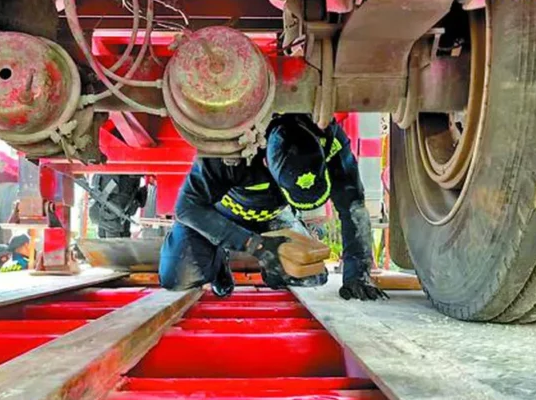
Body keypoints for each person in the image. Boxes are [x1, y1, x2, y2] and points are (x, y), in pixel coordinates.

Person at [159, 113, 387, 301]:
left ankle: (273, 271)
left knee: (308, 276)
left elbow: (353, 205)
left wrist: (358, 273)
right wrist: (253, 245)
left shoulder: (330, 139)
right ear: (267, 163)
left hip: (273, 218)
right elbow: (187, 207)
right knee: (176, 277)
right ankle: (218, 261)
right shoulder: (231, 147)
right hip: (216, 217)